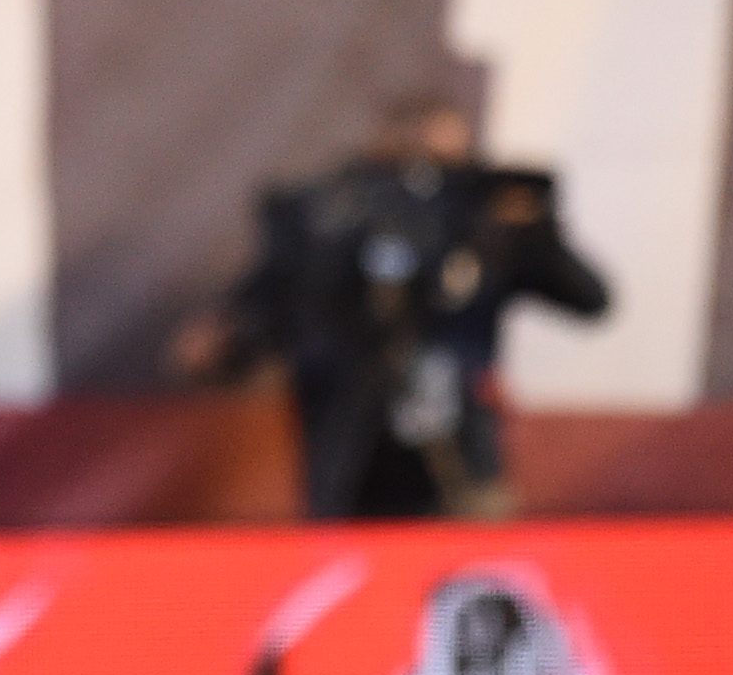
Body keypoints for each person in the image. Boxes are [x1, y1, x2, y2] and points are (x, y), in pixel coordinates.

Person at [173, 97, 608, 519]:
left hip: (461, 461)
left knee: (470, 568)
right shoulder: (330, 217)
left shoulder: (479, 218)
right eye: (410, 164)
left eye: (441, 171)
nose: (421, 189)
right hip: (350, 456)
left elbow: (590, 301)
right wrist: (224, 340)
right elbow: (264, 314)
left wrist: (534, 234)